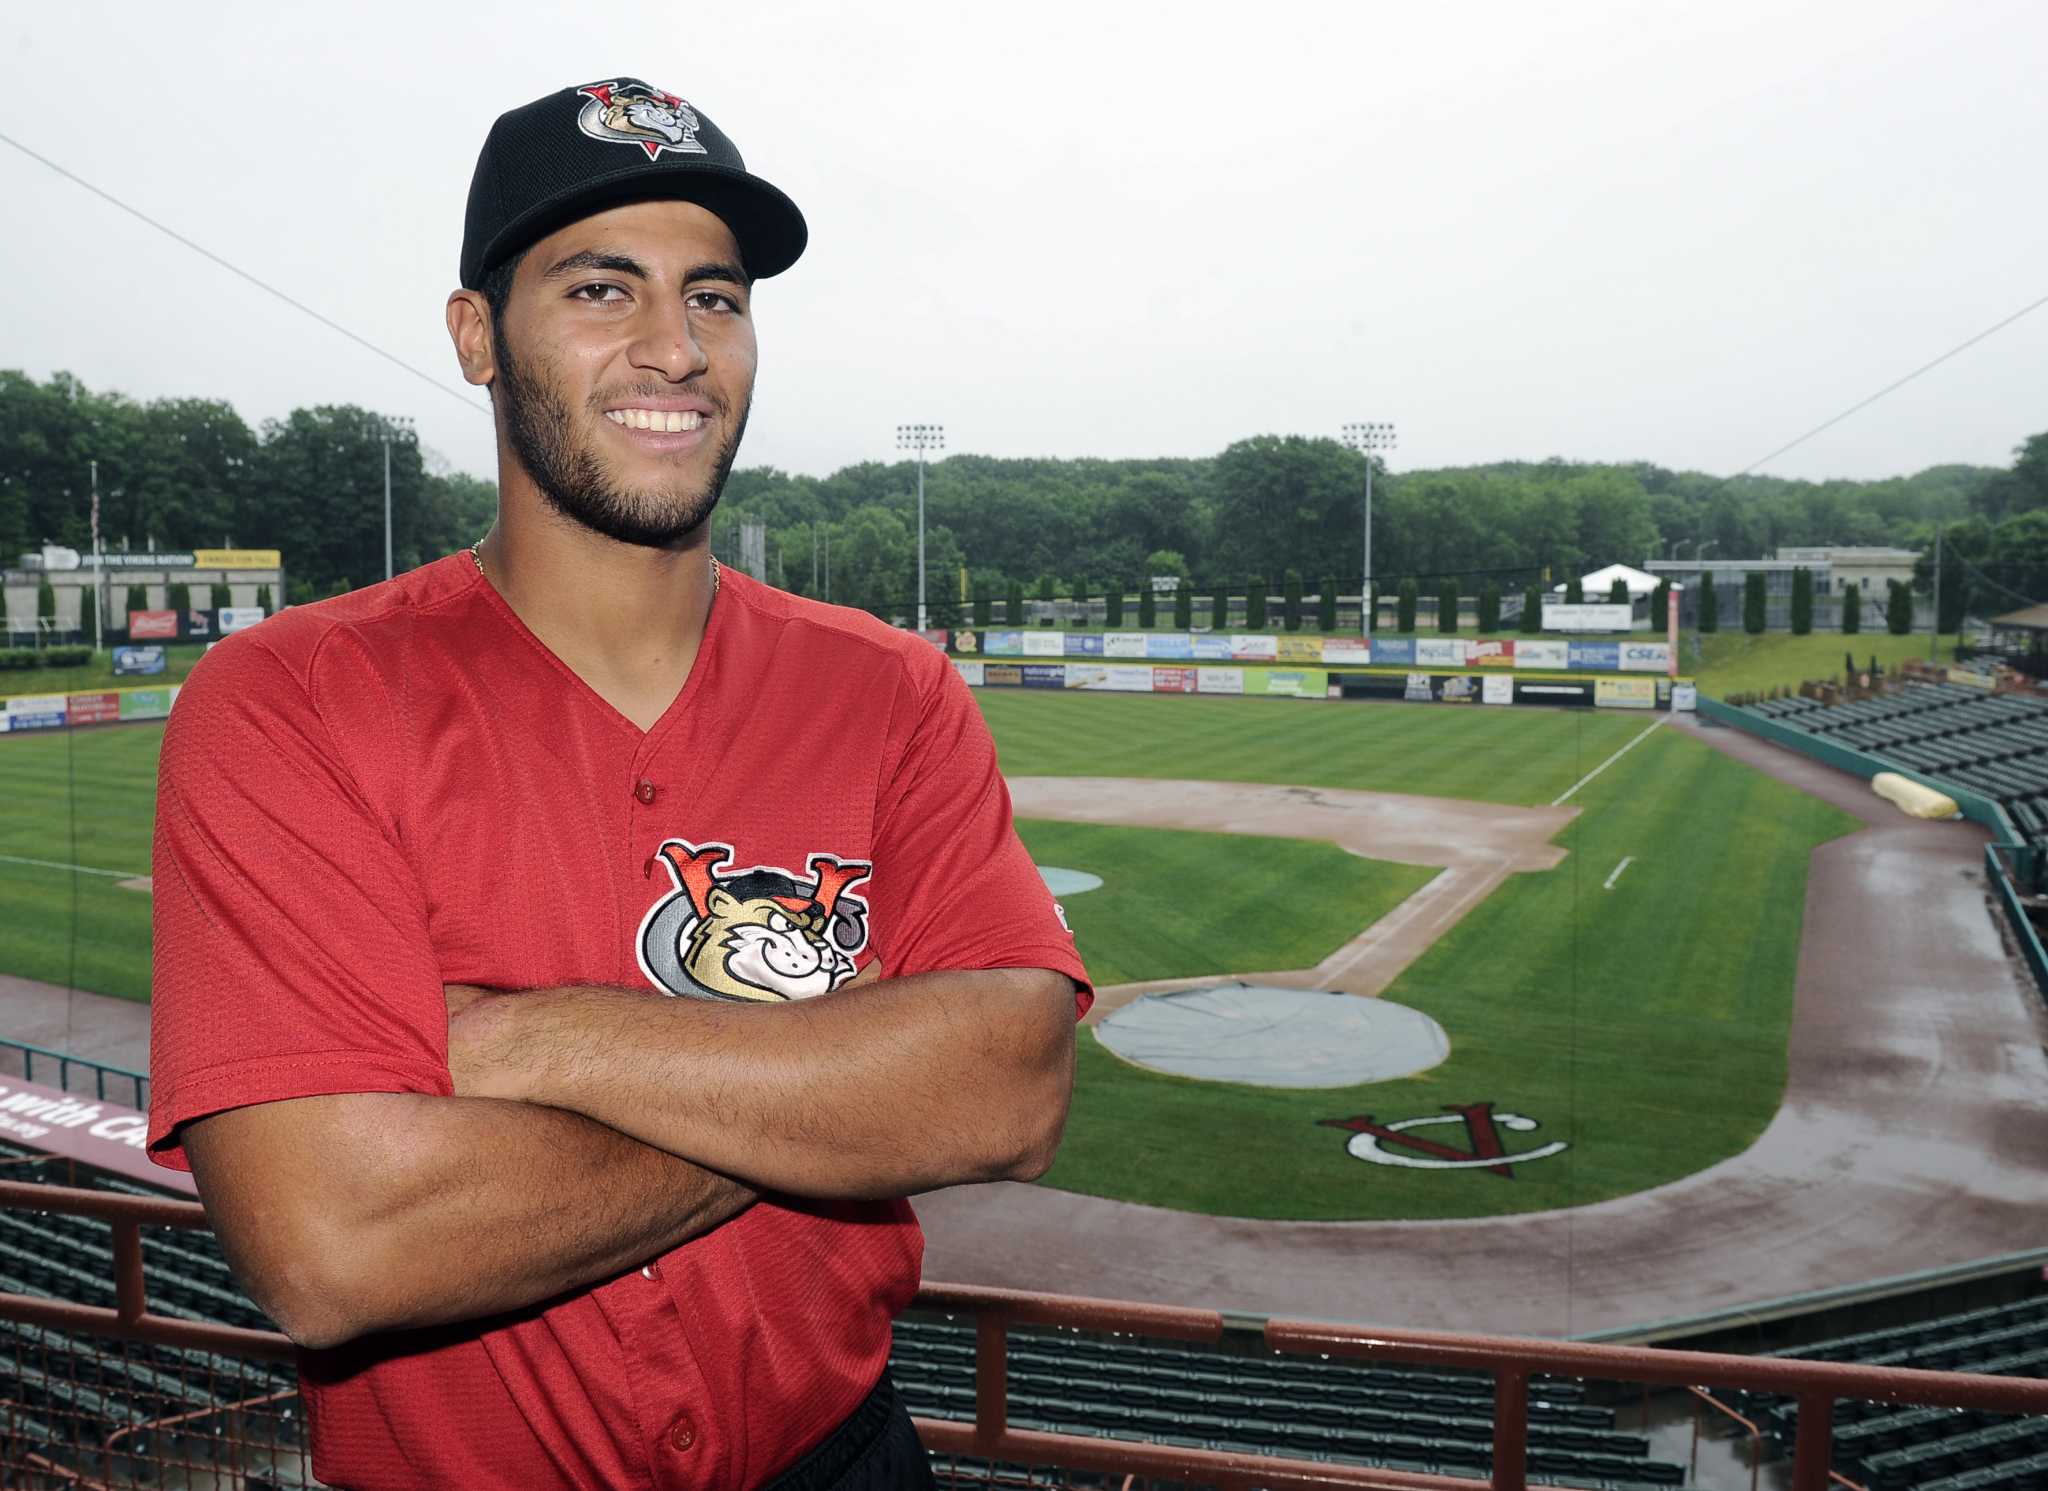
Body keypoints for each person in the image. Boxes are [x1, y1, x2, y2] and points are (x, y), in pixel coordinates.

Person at [146, 77, 1089, 1491]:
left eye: (716, 298)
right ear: (477, 336)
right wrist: (850, 1079)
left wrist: (526, 1045)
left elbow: (1008, 1088)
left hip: (848, 1463)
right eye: (601, 289)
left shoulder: (889, 691)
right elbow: (335, 1246)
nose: (674, 348)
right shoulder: (292, 700)